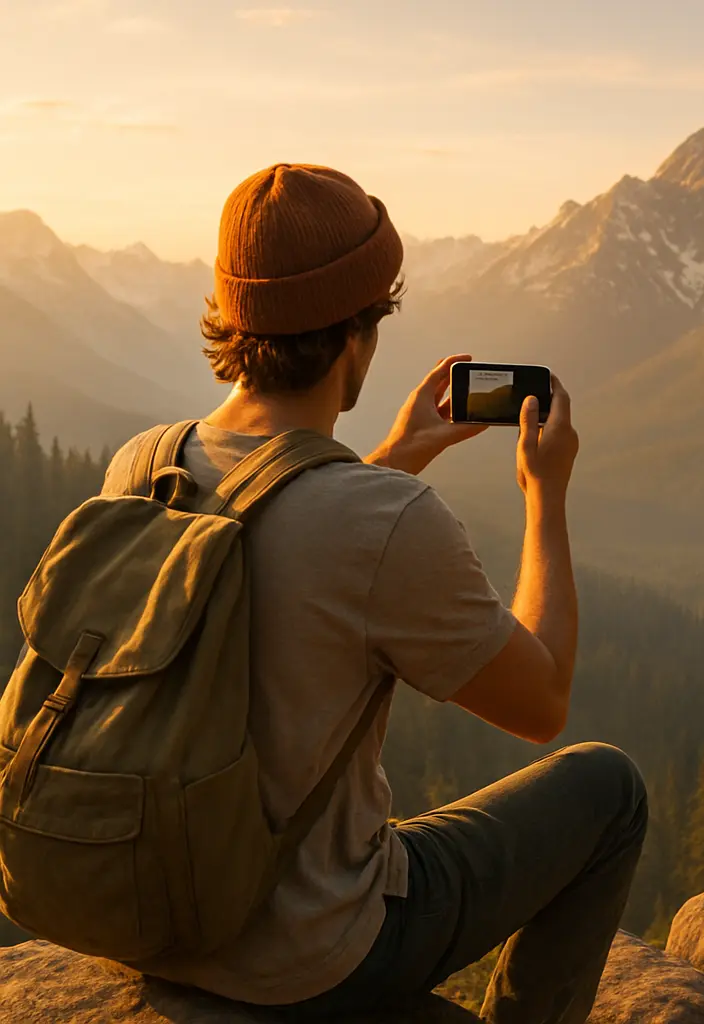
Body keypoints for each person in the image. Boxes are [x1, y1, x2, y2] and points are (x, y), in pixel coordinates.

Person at [99, 163, 647, 1022]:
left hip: (158, 913)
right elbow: (541, 701)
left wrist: (393, 452)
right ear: (358, 334)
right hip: (311, 953)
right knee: (609, 791)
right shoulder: (382, 519)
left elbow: (272, 541)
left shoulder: (143, 465)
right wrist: (545, 495)